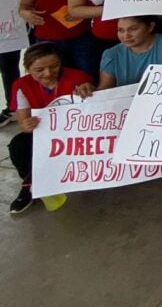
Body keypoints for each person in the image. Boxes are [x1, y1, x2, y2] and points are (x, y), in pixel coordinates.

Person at [7, 43, 94, 213]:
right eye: (39, 69)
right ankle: (30, 183)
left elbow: (94, 113)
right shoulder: (21, 85)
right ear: (27, 68)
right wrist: (27, 125)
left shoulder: (77, 78)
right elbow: (23, 123)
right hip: (44, 133)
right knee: (19, 145)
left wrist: (90, 92)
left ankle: (37, 183)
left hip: (76, 134)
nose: (48, 73)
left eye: (54, 66)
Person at [97, 16, 162, 89]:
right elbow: (105, 90)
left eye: (132, 29)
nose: (126, 36)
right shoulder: (111, 54)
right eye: (121, 30)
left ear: (150, 27)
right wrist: (89, 90)